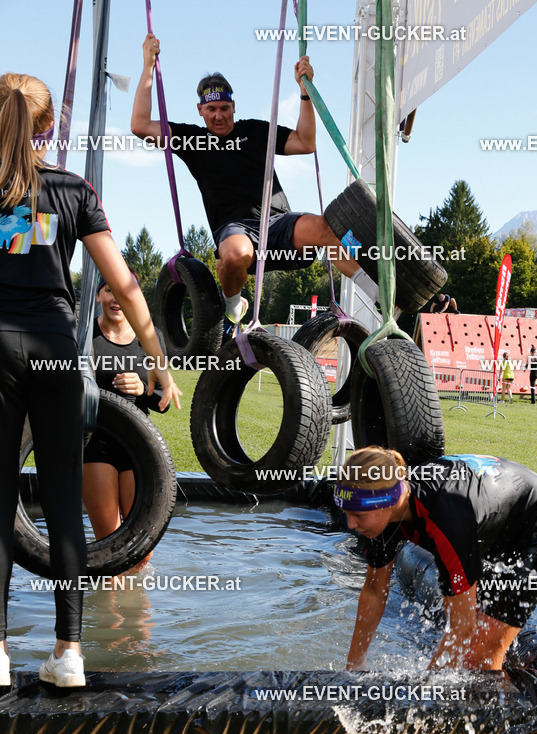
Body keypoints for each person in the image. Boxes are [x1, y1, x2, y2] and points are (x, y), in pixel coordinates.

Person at [0, 73, 181, 689]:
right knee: (60, 501)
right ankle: (69, 653)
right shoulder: (75, 190)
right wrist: (157, 358)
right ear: (50, 129)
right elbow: (127, 287)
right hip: (53, 349)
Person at [131, 35, 380, 325]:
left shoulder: (257, 131)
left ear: (233, 106)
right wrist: (148, 65)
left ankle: (378, 294)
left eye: (224, 108)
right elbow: (140, 125)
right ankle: (234, 305)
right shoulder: (193, 140)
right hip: (236, 231)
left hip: (278, 225)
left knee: (324, 226)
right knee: (234, 256)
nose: (219, 116)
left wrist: (304, 92)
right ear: (200, 110)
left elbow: (305, 142)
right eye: (211, 110)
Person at [334, 447, 537, 672]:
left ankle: (509, 709)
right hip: (490, 523)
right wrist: (354, 668)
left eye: (358, 515)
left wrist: (421, 694)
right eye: (346, 513)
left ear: (387, 501)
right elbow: (375, 591)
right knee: (473, 635)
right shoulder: (382, 515)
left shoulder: (446, 520)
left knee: (480, 657)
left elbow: (462, 628)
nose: (351, 524)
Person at [82, 273, 168, 569]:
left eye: (124, 291)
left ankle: (137, 613)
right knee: (110, 547)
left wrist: (143, 389)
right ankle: (110, 616)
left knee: (142, 551)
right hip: (96, 446)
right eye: (109, 290)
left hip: (138, 447)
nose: (116, 299)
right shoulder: (84, 339)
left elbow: (163, 401)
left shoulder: (150, 339)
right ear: (98, 296)